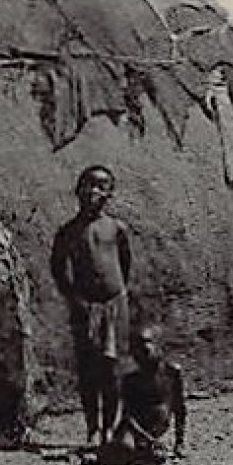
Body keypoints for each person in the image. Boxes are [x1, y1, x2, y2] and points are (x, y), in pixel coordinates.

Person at [50, 165, 133, 446]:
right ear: (77, 190)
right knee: (88, 368)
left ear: (110, 193)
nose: (93, 191)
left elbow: (125, 264)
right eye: (87, 184)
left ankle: (110, 427)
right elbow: (59, 269)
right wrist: (75, 298)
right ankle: (92, 428)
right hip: (85, 308)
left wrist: (117, 296)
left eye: (101, 186)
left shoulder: (116, 228)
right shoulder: (68, 232)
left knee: (111, 369)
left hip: (113, 306)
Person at [112, 324, 186, 465]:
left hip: (158, 425)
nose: (146, 349)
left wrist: (179, 442)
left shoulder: (171, 373)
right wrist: (146, 438)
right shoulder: (130, 379)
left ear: (159, 346)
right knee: (124, 449)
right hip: (136, 428)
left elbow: (179, 408)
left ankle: (146, 448)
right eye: (140, 345)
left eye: (149, 342)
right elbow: (128, 416)